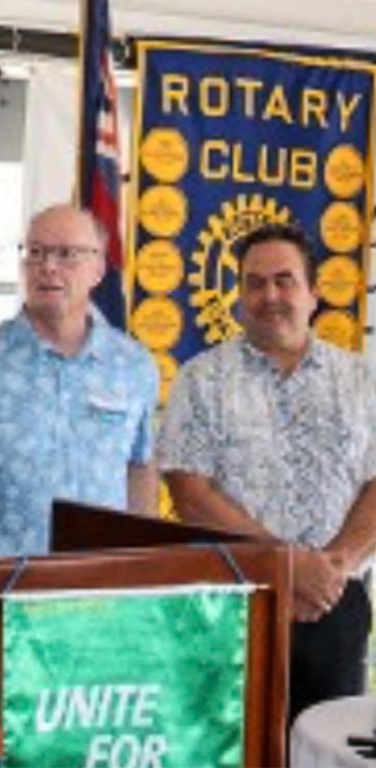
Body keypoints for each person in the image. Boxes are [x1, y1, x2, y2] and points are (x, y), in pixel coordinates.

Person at [158, 222, 376, 723]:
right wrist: (288, 565)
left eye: (284, 280)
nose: (269, 295)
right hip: (232, 605)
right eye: (254, 283)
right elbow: (191, 493)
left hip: (333, 604)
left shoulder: (361, 380)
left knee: (326, 749)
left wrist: (330, 569)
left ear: (313, 293)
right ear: (238, 295)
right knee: (233, 748)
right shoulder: (201, 379)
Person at [0, 203, 159, 559]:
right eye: (35, 253)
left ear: (98, 269)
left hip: (100, 596)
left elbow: (140, 470)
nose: (48, 267)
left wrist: (145, 575)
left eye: (66, 254)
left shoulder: (132, 366)